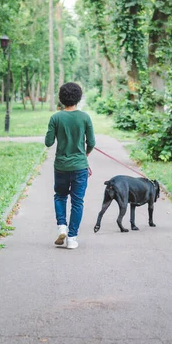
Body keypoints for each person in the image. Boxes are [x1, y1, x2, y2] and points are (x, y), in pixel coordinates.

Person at [45, 82, 95, 249]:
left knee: (60, 196)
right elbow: (92, 142)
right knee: (77, 202)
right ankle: (72, 238)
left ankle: (62, 227)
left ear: (61, 98)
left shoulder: (56, 118)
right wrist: (85, 153)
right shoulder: (85, 117)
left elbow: (48, 142)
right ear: (78, 98)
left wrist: (54, 130)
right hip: (80, 166)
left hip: (61, 166)